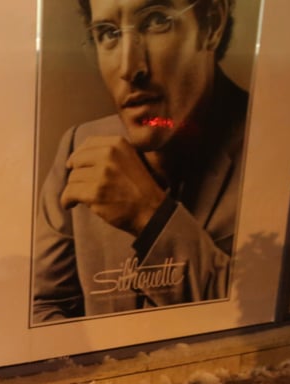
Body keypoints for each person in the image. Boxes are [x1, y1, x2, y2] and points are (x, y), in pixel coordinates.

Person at [32, 0, 246, 322]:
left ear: (211, 25)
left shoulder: (272, 146)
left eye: (156, 21)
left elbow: (251, 318)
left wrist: (152, 218)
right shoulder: (78, 145)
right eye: (107, 33)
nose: (129, 69)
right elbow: (42, 307)